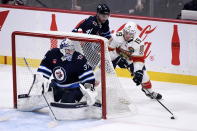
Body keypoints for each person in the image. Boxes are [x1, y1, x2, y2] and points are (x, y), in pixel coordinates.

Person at [108, 21, 162, 100]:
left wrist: (138, 72)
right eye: (126, 32)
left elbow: (138, 59)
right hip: (114, 56)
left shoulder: (139, 43)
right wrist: (117, 59)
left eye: (130, 34)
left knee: (144, 77)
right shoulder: (116, 36)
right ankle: (91, 87)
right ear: (123, 30)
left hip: (130, 60)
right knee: (102, 71)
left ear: (134, 34)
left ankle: (149, 92)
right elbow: (108, 50)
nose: (127, 35)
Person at [36, 38, 97, 105]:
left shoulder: (79, 58)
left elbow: (87, 76)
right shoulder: (52, 54)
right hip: (56, 86)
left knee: (66, 102)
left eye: (72, 50)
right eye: (68, 50)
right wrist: (42, 79)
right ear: (62, 50)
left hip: (73, 88)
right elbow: (44, 68)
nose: (71, 52)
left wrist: (89, 88)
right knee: (45, 97)